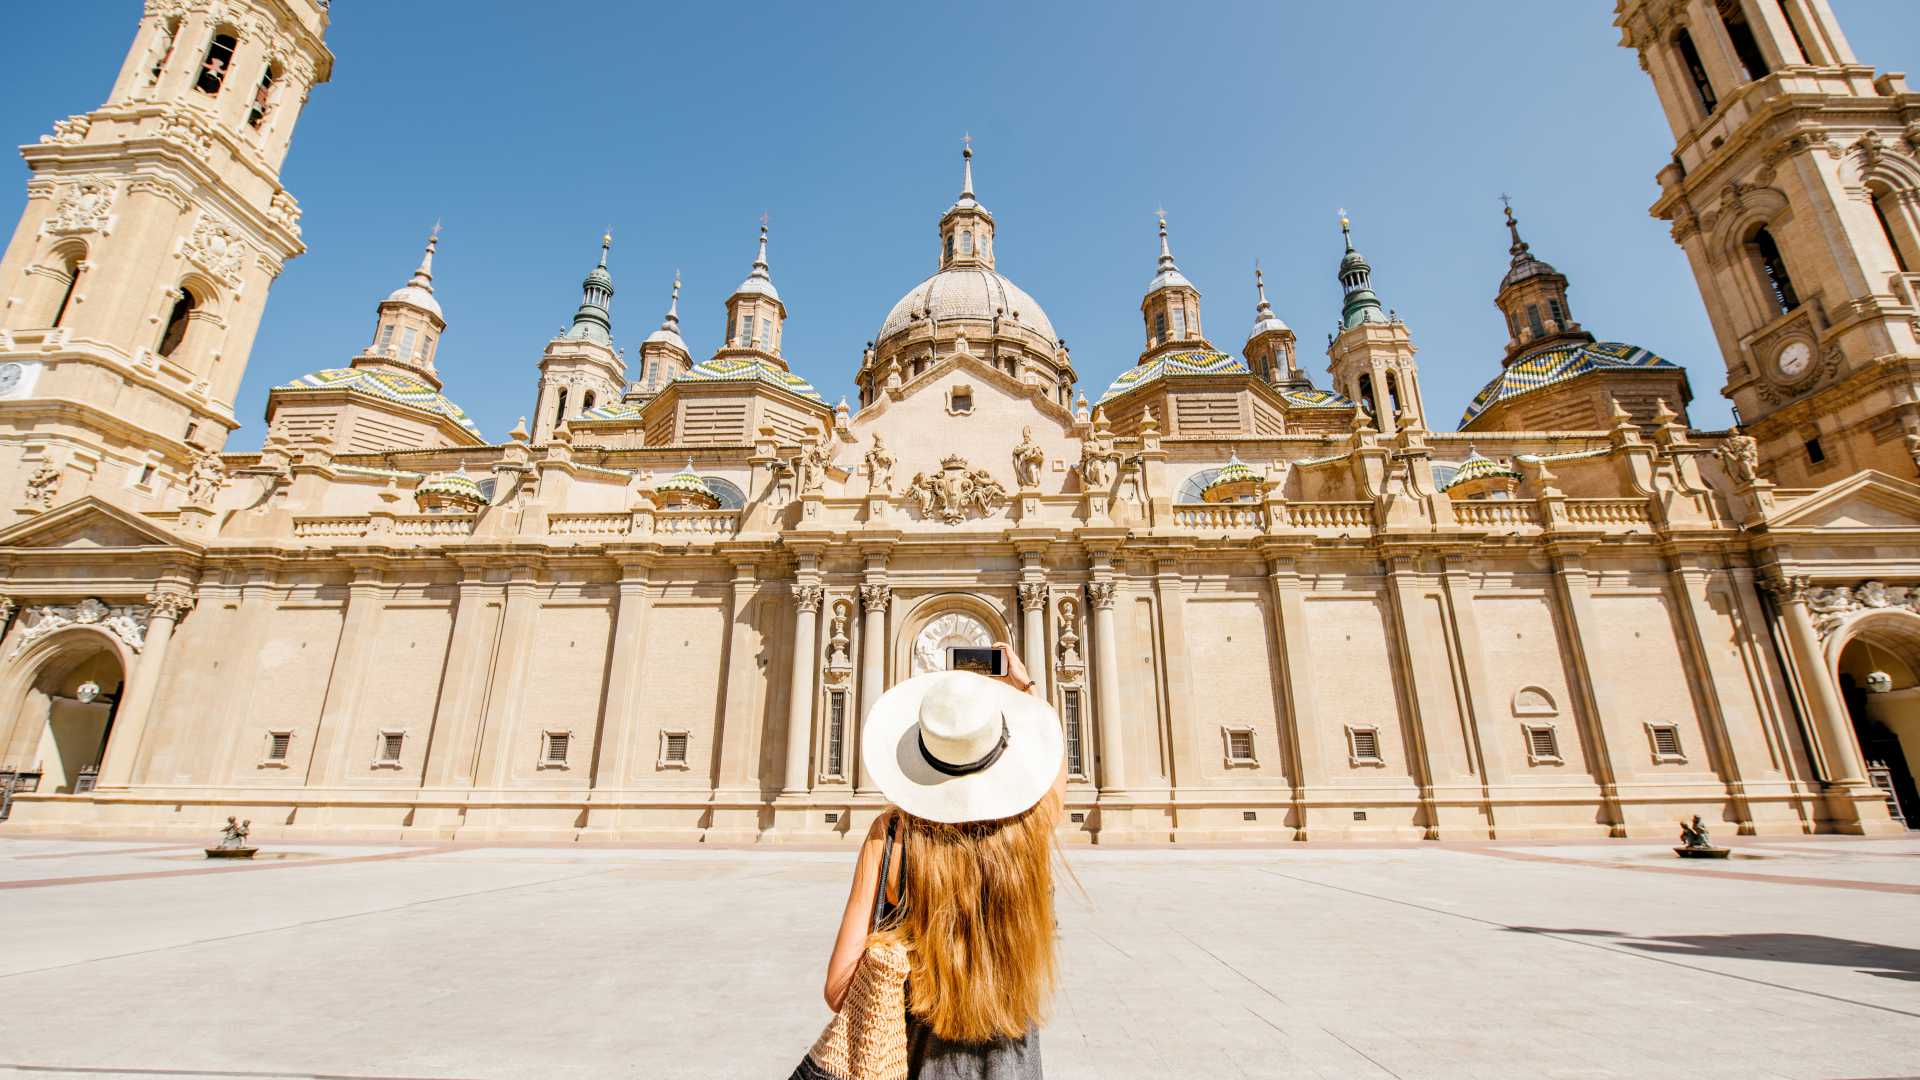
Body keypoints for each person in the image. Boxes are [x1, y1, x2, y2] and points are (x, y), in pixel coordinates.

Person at [802, 643, 1065, 1079]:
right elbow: (1051, 768)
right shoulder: (1030, 832)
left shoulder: (890, 839)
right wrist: (1025, 688)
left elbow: (838, 990)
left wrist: (901, 944)